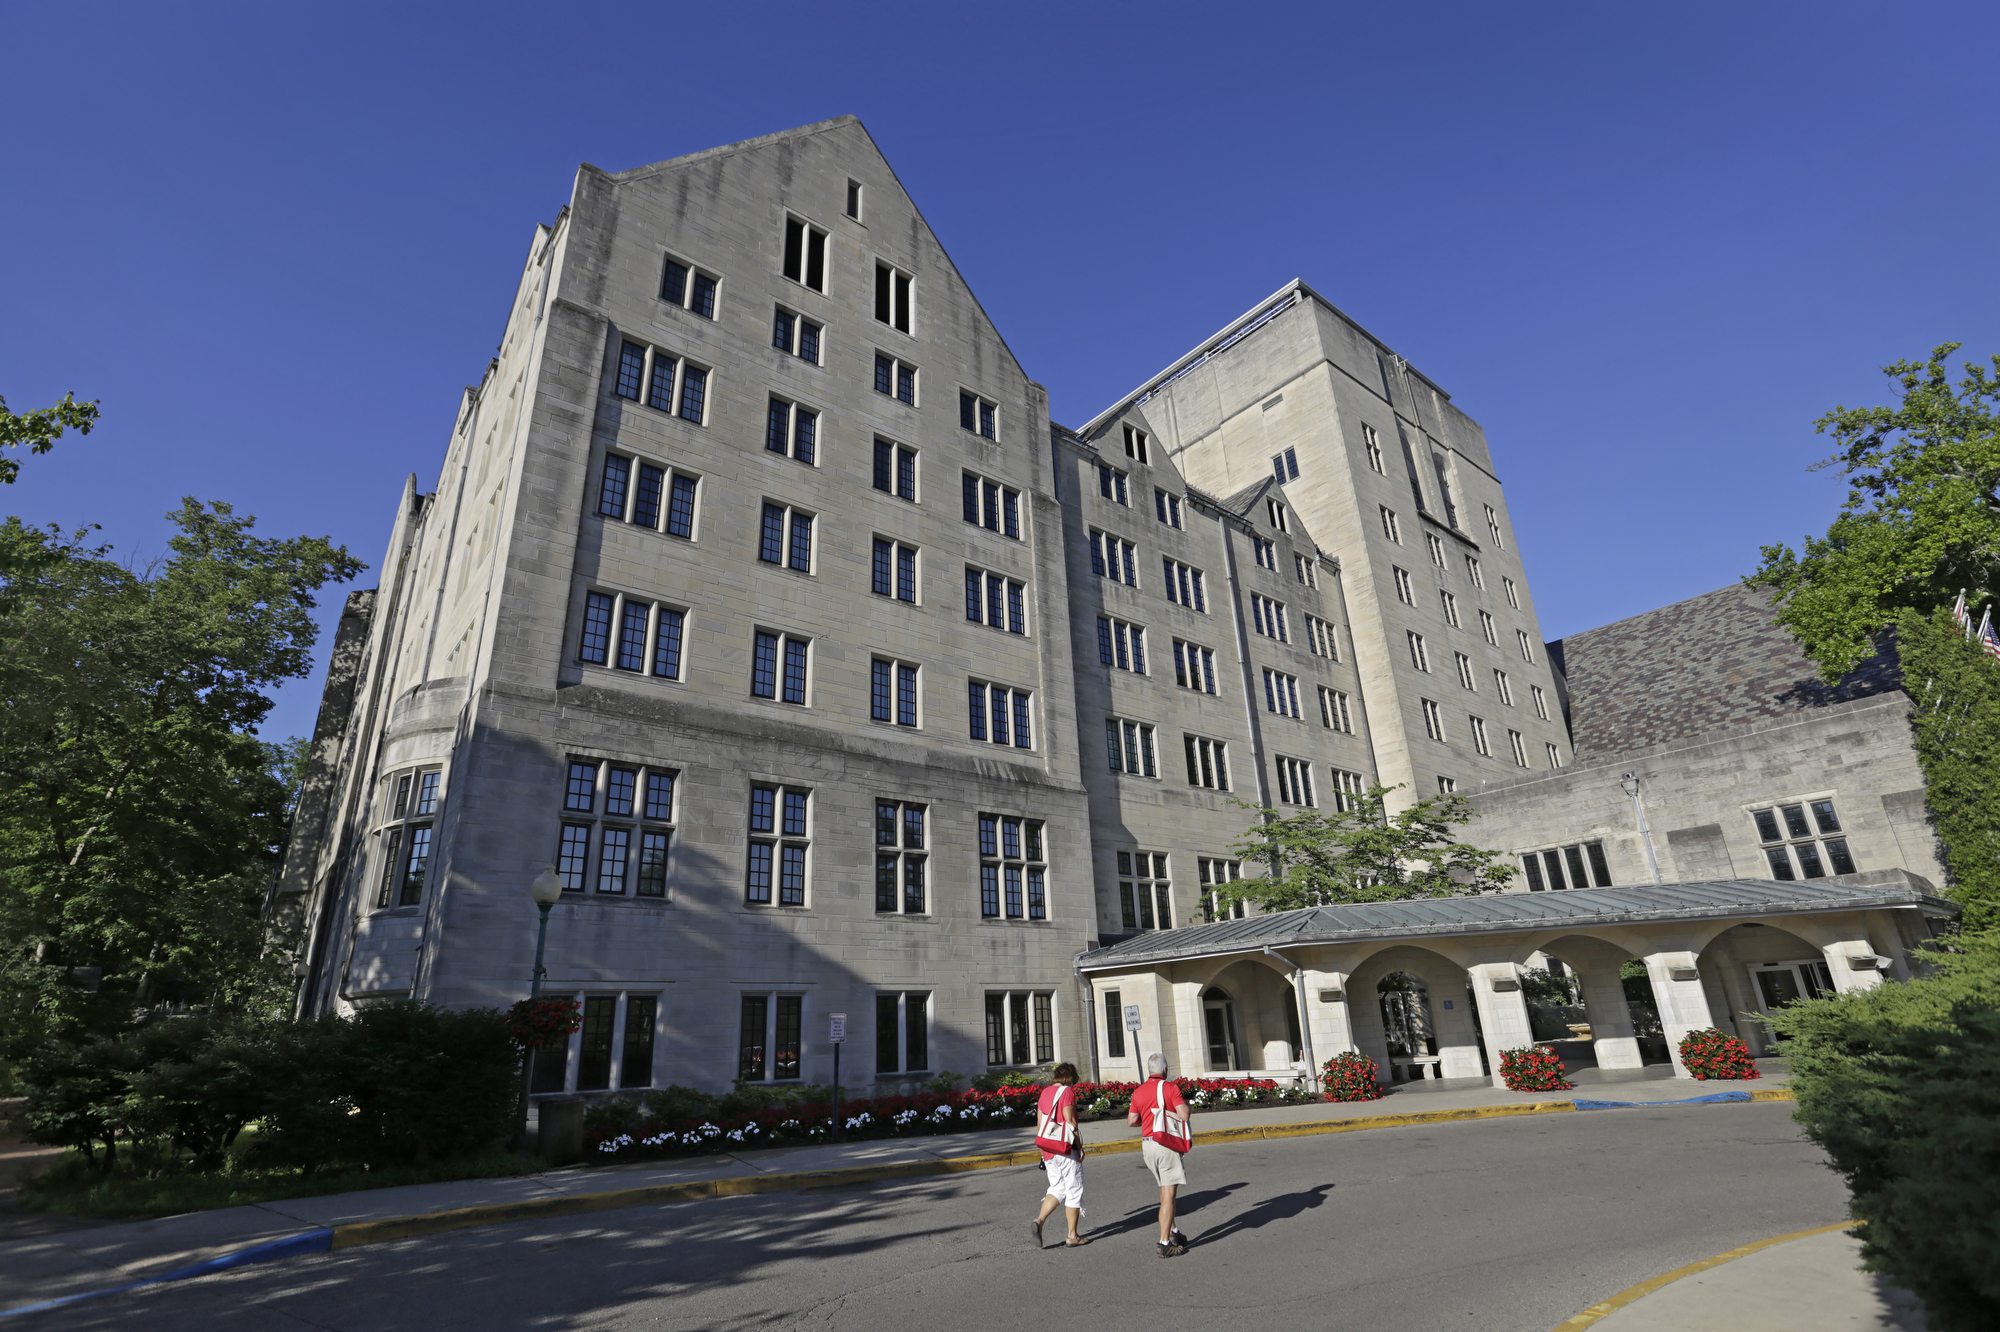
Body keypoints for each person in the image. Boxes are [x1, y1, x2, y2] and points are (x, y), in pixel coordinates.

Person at [1127, 1052, 1192, 1257]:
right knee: (1168, 1195)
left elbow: (1131, 1120)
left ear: (1149, 1070)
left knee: (1165, 1190)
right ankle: (1164, 1244)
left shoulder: (1138, 1091)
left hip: (1148, 1146)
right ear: (1165, 1070)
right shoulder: (1171, 1088)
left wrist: (1148, 1121)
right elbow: (1184, 1114)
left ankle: (1174, 1231)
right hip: (1166, 1144)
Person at [1032, 1062, 1089, 1247]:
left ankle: (1039, 1221)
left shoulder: (1044, 1092)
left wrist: (1044, 1150)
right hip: (1064, 1148)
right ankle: (1072, 1236)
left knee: (1057, 1188)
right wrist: (1079, 1147)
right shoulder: (1067, 1092)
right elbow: (1070, 1122)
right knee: (1073, 1189)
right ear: (1071, 1078)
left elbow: (1040, 1125)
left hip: (1047, 1148)